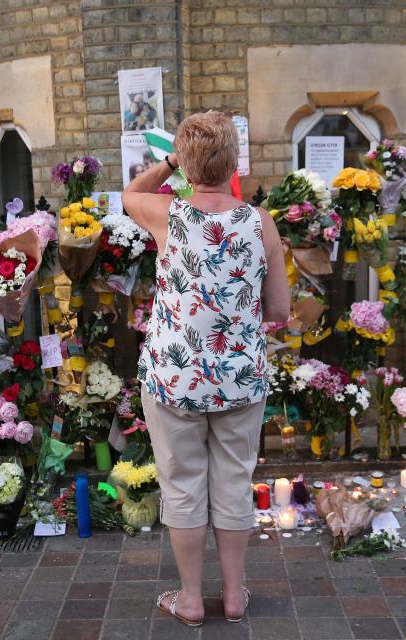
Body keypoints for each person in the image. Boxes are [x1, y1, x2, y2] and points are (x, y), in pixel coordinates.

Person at [122, 111, 290, 626]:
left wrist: (171, 161)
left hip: (175, 378)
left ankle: (191, 600)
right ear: (234, 160)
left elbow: (129, 193)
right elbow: (280, 310)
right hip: (240, 378)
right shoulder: (260, 223)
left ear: (186, 163)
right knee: (234, 483)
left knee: (182, 484)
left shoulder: (165, 214)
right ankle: (235, 596)